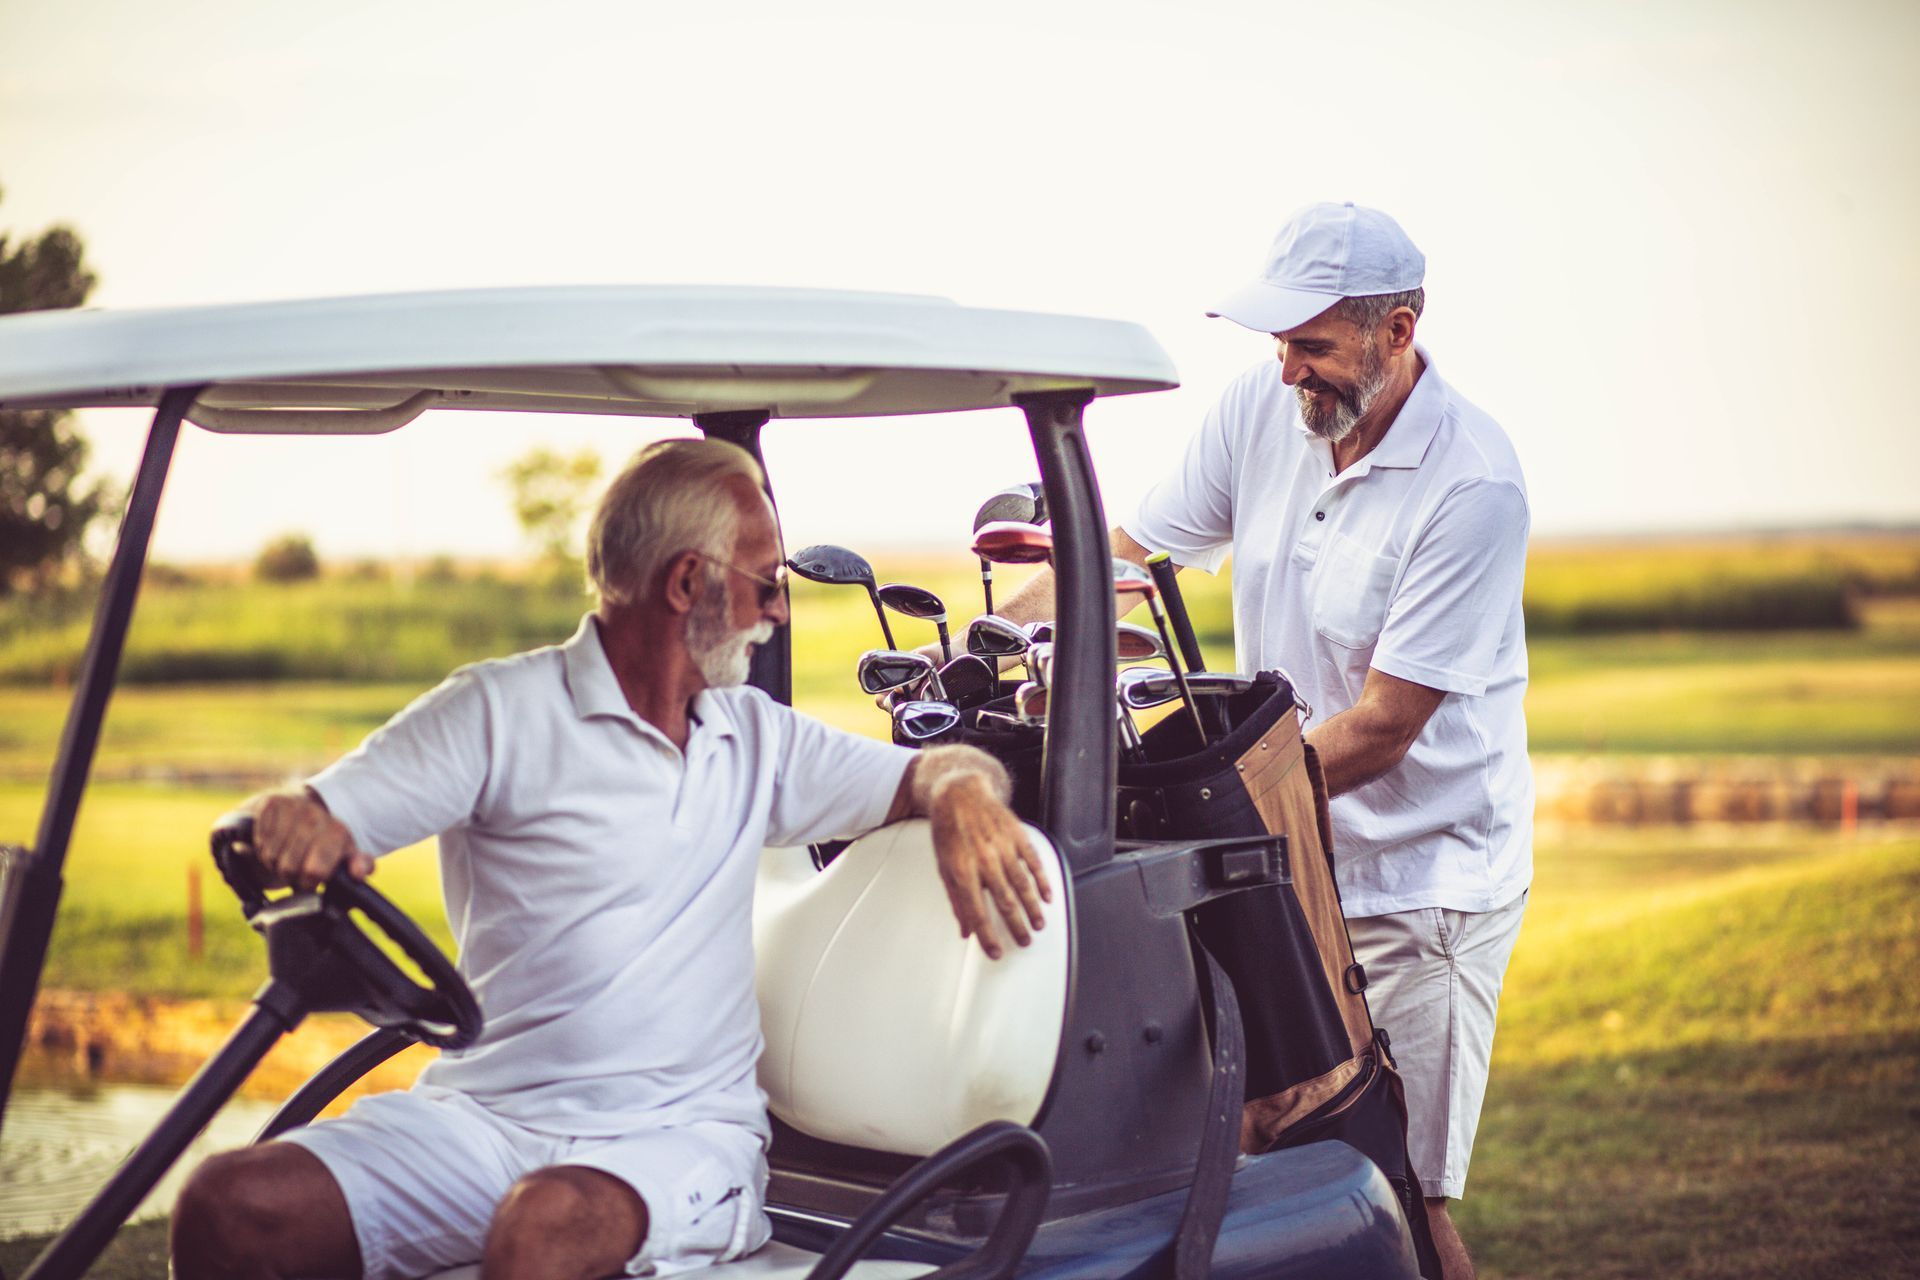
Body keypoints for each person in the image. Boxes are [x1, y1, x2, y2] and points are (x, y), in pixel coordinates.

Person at [170, 438, 1051, 1280]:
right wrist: (290, 822)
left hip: (680, 1146)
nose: (777, 611)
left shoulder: (756, 739)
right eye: (765, 584)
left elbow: (935, 767)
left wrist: (965, 794)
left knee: (542, 1228)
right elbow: (313, 814)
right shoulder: (497, 712)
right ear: (687, 582)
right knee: (225, 1206)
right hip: (483, 1121)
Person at [996, 202, 1530, 1278]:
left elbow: (1384, 726)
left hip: (1418, 884)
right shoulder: (1264, 406)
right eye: (1280, 343)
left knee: (1391, 1190)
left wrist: (1197, 806)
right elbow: (1136, 552)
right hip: (1273, 859)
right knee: (1227, 1150)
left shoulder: (1474, 483)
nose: (1291, 369)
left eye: (1315, 344)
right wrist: (1014, 624)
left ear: (1398, 329)